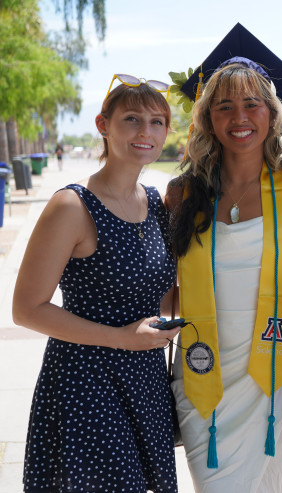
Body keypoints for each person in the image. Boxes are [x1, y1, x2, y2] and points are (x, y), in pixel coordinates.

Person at [165, 23, 282, 493]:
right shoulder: (182, 194)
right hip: (201, 367)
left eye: (252, 104)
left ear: (272, 114)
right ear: (207, 118)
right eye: (224, 106)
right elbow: (167, 291)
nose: (239, 117)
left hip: (273, 367)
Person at [13, 79, 179, 492]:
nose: (145, 131)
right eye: (132, 119)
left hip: (145, 380)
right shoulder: (72, 205)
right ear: (103, 125)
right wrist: (122, 339)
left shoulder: (156, 203)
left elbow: (158, 296)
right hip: (86, 382)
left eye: (157, 122)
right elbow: (27, 309)